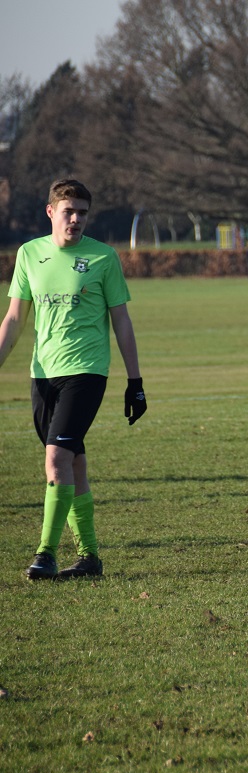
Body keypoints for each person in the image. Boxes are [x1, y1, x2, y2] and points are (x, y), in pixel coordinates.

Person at [0, 178, 146, 581]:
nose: (77, 219)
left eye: (83, 212)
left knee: (56, 458)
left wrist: (135, 381)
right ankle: (90, 558)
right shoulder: (30, 254)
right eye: (69, 211)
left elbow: (122, 322)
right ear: (51, 212)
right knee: (73, 463)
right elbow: (14, 319)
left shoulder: (103, 258)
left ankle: (45, 553)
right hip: (42, 374)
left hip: (86, 372)